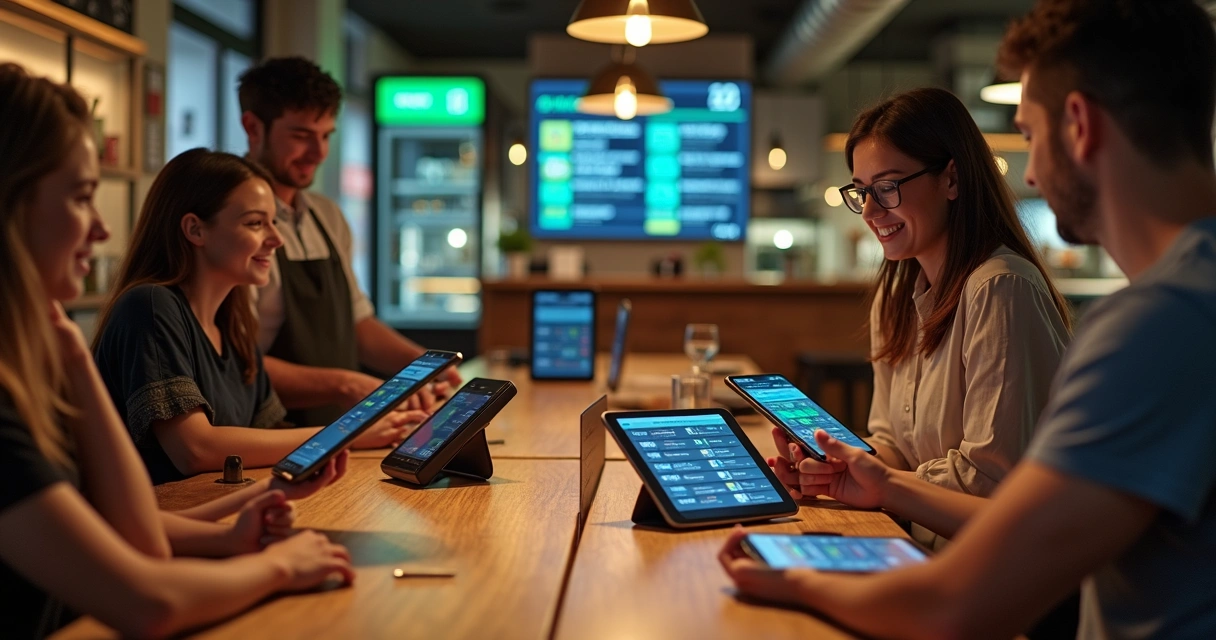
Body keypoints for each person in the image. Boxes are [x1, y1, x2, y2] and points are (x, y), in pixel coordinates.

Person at [720, 0, 1216, 637]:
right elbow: (1026, 532)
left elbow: (956, 601)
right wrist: (868, 476)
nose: (1030, 170)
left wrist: (790, 578)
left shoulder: (1155, 328)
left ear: (1080, 125)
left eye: (1030, 134)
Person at [0, 63, 355, 638]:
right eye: (82, 198)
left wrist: (237, 524)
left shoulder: (39, 359)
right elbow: (150, 601)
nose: (101, 231)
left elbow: (134, 532)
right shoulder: (146, 311)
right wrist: (280, 565)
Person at [772, 87, 1071, 548]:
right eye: (862, 191)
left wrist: (875, 481)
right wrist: (835, 467)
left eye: (888, 187)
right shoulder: (894, 298)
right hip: (919, 549)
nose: (870, 211)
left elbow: (990, 484)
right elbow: (894, 445)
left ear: (951, 179)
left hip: (995, 580)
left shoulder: (1000, 287)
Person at [93, 149, 421, 484]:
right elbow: (194, 448)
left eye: (273, 222)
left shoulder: (232, 325)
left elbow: (267, 436)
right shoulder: (150, 307)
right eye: (255, 223)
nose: (276, 239)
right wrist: (345, 433)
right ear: (195, 230)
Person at [238, 56, 460, 427]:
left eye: (326, 136)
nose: (319, 152)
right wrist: (345, 385)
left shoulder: (327, 216)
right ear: (253, 127)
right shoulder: (229, 220)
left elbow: (357, 326)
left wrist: (432, 366)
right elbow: (232, 363)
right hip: (266, 434)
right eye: (301, 135)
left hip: (336, 433)